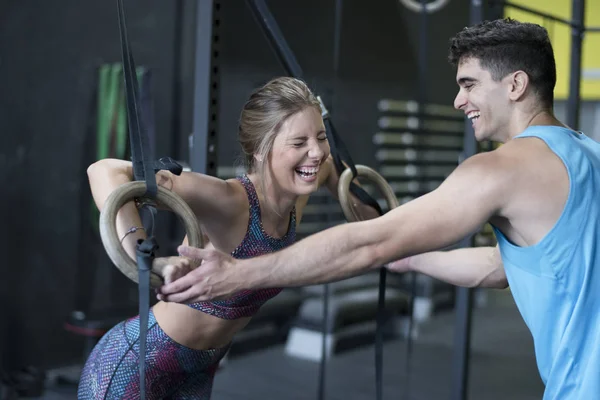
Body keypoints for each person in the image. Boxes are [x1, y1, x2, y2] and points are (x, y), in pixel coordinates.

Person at [158, 18, 600, 400]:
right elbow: (502, 267)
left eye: (469, 84)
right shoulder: (588, 155)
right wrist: (412, 258)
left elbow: (369, 245)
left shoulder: (499, 169)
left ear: (516, 85)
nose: (458, 100)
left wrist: (237, 273)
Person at [77, 76, 379, 399]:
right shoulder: (230, 201)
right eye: (299, 143)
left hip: (198, 373)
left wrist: (349, 196)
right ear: (262, 151)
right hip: (135, 368)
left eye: (321, 137)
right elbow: (105, 170)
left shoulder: (299, 191)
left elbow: (334, 172)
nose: (316, 152)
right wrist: (144, 257)